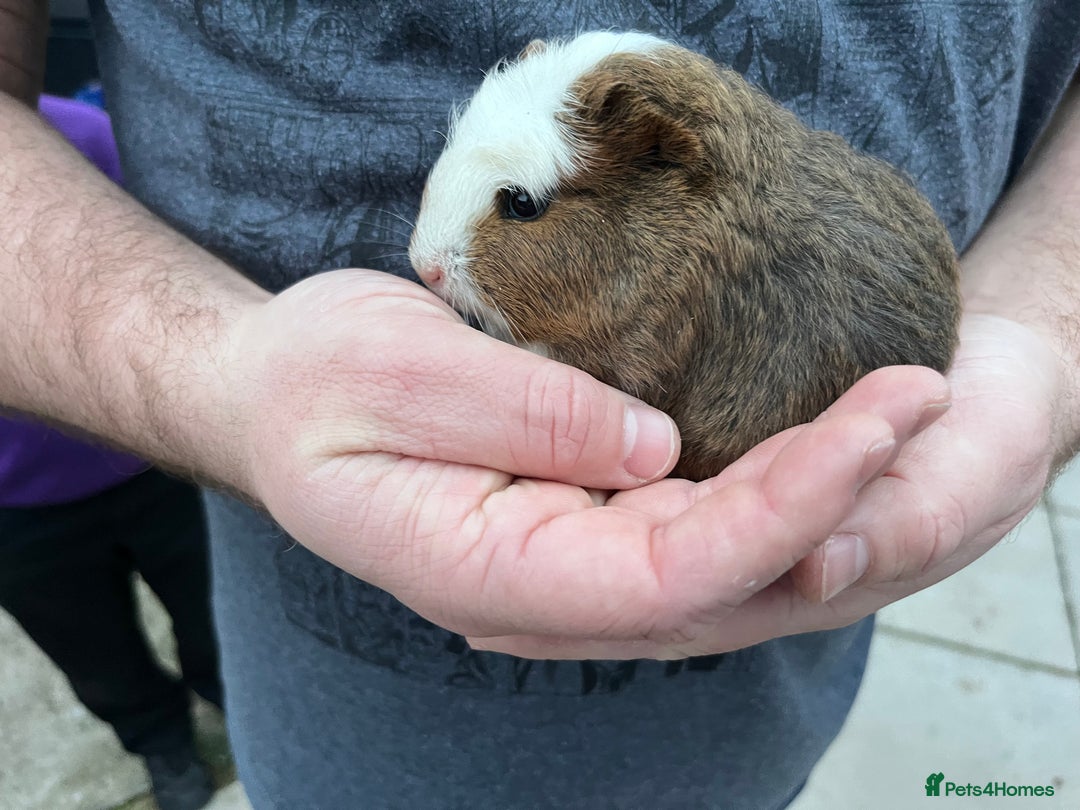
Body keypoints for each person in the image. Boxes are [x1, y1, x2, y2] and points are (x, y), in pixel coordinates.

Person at [0, 2, 1077, 807]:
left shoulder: (683, 258)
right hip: (341, 732)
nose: (432, 261)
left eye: (518, 206)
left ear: (666, 166)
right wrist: (216, 378)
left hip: (779, 703)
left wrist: (1042, 342)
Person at [0, 95, 223, 810]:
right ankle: (160, 740)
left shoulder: (89, 133)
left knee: (212, 612)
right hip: (15, 513)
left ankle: (230, 700)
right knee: (93, 654)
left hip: (158, 464)